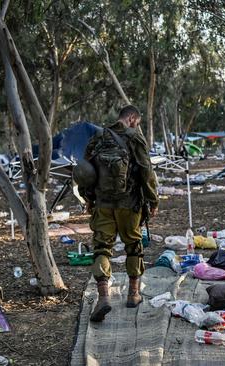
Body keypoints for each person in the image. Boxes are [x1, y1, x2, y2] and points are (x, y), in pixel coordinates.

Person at [77, 105, 159, 322]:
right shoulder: (134, 138)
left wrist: (88, 199)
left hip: (103, 203)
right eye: (138, 123)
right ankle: (133, 294)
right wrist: (152, 200)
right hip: (129, 203)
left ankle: (103, 296)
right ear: (132, 118)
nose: (137, 127)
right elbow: (146, 171)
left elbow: (85, 171)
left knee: (102, 248)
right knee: (133, 244)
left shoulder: (98, 137)